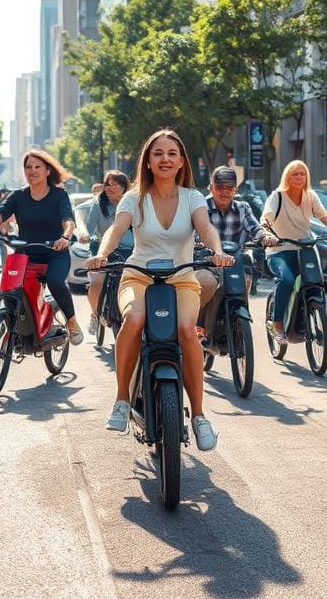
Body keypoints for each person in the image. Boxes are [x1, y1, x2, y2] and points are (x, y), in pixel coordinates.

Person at [86, 129, 232, 451]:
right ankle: (122, 400)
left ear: (181, 161)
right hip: (138, 276)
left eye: (172, 153)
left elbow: (206, 229)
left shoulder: (193, 198)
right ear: (148, 162)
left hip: (181, 278)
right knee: (134, 320)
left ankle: (199, 416)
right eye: (158, 153)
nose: (165, 159)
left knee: (186, 330)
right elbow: (117, 229)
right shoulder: (133, 198)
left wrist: (217, 250)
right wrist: (102, 254)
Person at [0, 150, 85, 344]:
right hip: (26, 254)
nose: (32, 171)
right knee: (8, 287)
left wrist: (65, 237)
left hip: (55, 253)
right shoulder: (18, 196)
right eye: (28, 167)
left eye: (37, 167)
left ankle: (72, 321)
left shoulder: (59, 195)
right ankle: (14, 327)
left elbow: (68, 220)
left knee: (55, 281)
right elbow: (1, 214)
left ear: (48, 171)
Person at [261, 160, 327, 345]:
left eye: (303, 174)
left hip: (304, 249)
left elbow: (324, 217)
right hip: (279, 250)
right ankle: (277, 324)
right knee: (286, 280)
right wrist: (267, 233)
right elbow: (266, 218)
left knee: (314, 283)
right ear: (287, 176)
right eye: (295, 174)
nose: (300, 177)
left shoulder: (310, 196)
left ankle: (307, 312)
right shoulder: (276, 197)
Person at [196, 165, 277, 310]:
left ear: (236, 190)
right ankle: (199, 324)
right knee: (207, 284)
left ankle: (240, 317)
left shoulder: (243, 207)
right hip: (207, 264)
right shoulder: (201, 207)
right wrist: (205, 249)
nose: (225, 192)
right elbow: (195, 234)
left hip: (235, 264)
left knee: (245, 281)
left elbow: (256, 228)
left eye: (230, 188)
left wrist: (266, 237)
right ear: (211, 187)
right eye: (220, 187)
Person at [82, 170, 133, 336]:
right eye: (107, 184)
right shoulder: (99, 203)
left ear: (124, 187)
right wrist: (85, 236)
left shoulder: (132, 203)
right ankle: (95, 315)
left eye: (114, 184)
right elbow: (89, 228)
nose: (109, 188)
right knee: (97, 281)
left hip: (128, 250)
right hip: (101, 248)